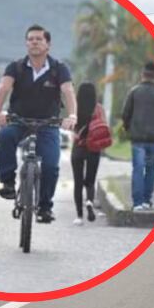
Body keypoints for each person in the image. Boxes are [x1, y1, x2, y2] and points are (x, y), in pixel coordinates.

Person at [0, 25, 76, 224]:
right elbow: (3, 88)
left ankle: (45, 207)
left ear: (48, 44)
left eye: (39, 39)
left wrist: (72, 115)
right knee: (4, 136)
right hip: (18, 120)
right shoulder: (16, 67)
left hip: (48, 123)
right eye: (30, 39)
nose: (34, 42)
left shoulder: (58, 68)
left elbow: (68, 91)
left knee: (50, 166)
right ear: (26, 43)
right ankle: (8, 182)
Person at [121, 61, 154, 211]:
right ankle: (146, 200)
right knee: (151, 169)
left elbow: (126, 114)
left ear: (142, 74)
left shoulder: (134, 92)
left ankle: (137, 203)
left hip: (137, 139)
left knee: (138, 169)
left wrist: (127, 128)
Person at [70, 82, 106, 226]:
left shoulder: (75, 108)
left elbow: (72, 130)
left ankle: (79, 215)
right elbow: (103, 126)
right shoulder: (99, 109)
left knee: (78, 183)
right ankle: (90, 202)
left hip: (78, 148)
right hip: (94, 148)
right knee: (90, 181)